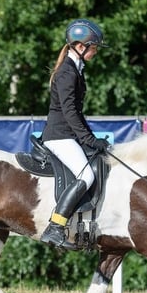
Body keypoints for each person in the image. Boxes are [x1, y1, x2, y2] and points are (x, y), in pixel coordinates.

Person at [39, 18, 111, 249]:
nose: (95, 52)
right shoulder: (67, 72)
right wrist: (88, 139)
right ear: (81, 46)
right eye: (94, 48)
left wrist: (92, 139)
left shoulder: (75, 69)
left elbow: (78, 114)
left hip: (68, 134)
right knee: (86, 177)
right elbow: (70, 112)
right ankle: (56, 227)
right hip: (59, 135)